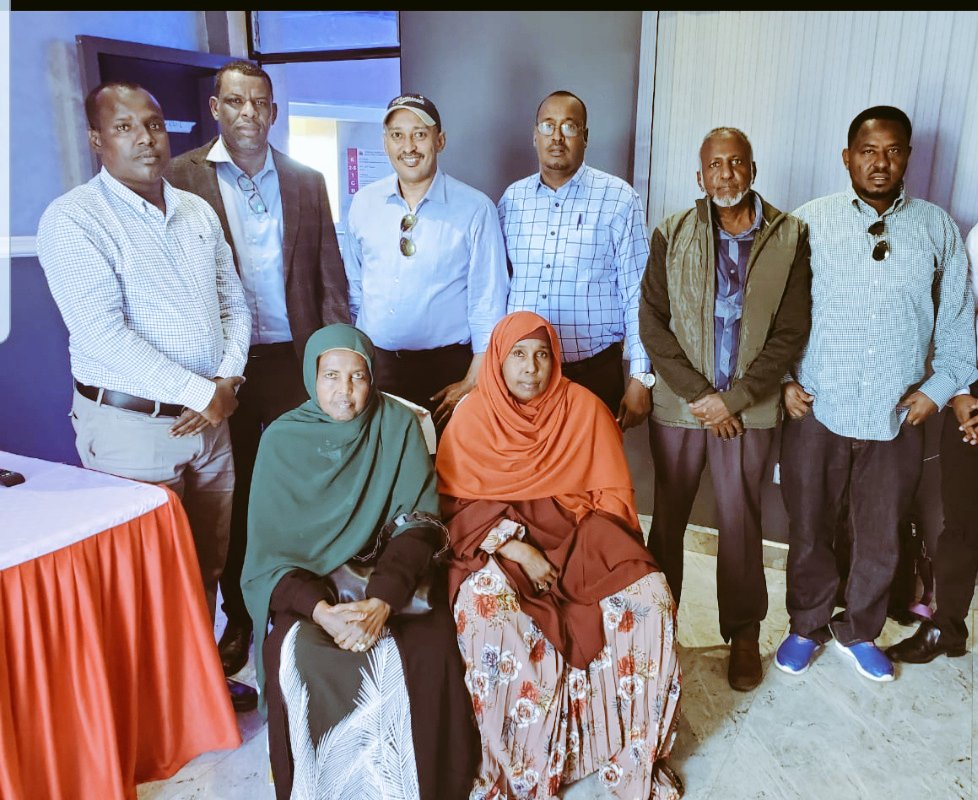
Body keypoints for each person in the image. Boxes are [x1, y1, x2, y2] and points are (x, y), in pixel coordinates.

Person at [36, 82, 256, 710]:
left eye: (154, 125)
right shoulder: (73, 220)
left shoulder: (196, 211)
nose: (144, 139)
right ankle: (151, 708)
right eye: (124, 127)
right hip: (131, 429)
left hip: (211, 422)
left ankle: (197, 689)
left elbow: (234, 303)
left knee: (206, 564)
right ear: (97, 140)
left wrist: (227, 382)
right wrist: (200, 391)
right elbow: (102, 335)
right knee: (142, 575)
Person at [437, 311, 683, 800]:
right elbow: (452, 511)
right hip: (499, 542)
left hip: (582, 536)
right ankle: (524, 766)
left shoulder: (584, 409)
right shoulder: (471, 417)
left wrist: (575, 548)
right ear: (497, 361)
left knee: (650, 599)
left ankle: (629, 754)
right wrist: (518, 548)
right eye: (518, 355)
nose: (531, 368)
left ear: (556, 360)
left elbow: (611, 502)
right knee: (487, 611)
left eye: (542, 355)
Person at [775, 106, 977, 682]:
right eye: (868, 151)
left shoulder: (937, 229)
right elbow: (777, 314)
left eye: (892, 151)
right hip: (817, 405)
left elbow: (957, 325)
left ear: (908, 157)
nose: (880, 162)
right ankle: (806, 626)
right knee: (809, 526)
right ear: (847, 157)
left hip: (898, 412)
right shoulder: (807, 223)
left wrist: (937, 390)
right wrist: (785, 380)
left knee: (881, 532)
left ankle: (860, 630)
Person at [240, 324, 479, 800]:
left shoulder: (397, 425)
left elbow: (419, 524)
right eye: (331, 376)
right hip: (310, 590)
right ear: (312, 378)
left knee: (426, 652)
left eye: (357, 377)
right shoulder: (282, 441)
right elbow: (270, 557)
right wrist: (323, 612)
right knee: (300, 655)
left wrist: (382, 601)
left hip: (391, 578)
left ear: (373, 379)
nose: (344, 391)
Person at [167, 60, 350, 678]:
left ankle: (306, 601)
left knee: (303, 483)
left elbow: (328, 276)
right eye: (235, 101)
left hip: (291, 358)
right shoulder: (180, 177)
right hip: (220, 366)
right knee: (237, 494)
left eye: (260, 103)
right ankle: (242, 617)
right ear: (215, 107)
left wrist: (332, 355)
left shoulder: (305, 180)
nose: (248, 113)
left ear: (273, 111)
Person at [639, 127, 811, 692]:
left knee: (740, 522)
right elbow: (652, 324)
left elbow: (790, 332)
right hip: (680, 407)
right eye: (715, 165)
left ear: (752, 170)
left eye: (736, 163)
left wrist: (732, 400)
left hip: (749, 411)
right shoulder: (672, 232)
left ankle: (742, 636)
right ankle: (657, 629)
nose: (726, 174)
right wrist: (700, 396)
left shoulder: (790, 235)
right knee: (668, 521)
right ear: (700, 176)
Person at [343, 93, 509, 429]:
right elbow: (355, 288)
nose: (409, 147)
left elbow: (488, 299)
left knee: (448, 461)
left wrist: (475, 378)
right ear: (385, 143)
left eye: (419, 134)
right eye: (397, 135)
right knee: (385, 460)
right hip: (379, 369)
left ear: (440, 140)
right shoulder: (364, 203)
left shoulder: (475, 208)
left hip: (448, 372)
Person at [500, 90, 656, 429]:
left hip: (593, 375)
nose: (557, 137)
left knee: (592, 463)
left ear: (585, 136)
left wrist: (641, 376)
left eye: (569, 127)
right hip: (524, 378)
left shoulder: (619, 199)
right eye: (548, 126)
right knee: (525, 463)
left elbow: (638, 293)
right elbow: (496, 288)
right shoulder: (512, 200)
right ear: (535, 135)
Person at [888, 222, 978, 665]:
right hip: (973, 393)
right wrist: (959, 391)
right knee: (961, 520)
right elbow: (961, 316)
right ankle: (948, 628)